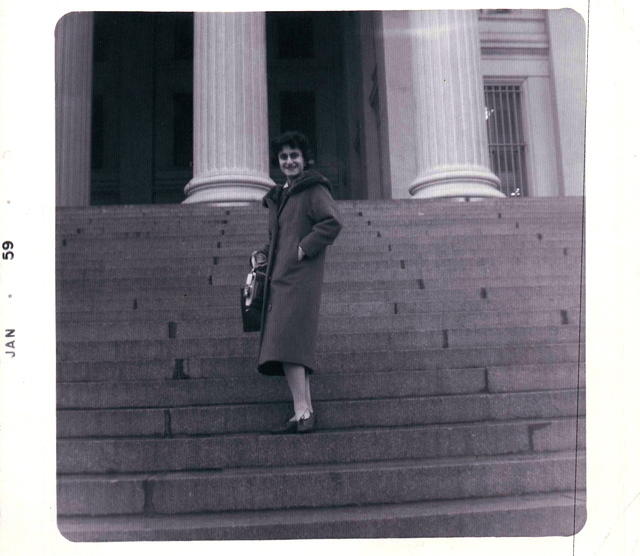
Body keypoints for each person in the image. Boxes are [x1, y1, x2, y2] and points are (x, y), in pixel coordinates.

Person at [252, 131, 342, 433]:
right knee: (291, 345)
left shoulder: (312, 190)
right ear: (278, 162)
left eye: (294, 156)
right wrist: (263, 254)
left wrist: (304, 248)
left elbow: (331, 222)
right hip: (280, 279)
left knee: (287, 345)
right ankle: (305, 411)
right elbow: (277, 238)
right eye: (283, 157)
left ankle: (302, 411)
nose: (289, 161)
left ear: (305, 160)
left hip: (299, 280)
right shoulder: (283, 195)